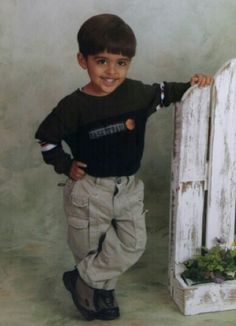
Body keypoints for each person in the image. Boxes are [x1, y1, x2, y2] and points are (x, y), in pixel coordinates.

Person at [35, 13, 213, 321]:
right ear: (82, 60)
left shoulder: (136, 93)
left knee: (130, 243)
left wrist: (195, 84)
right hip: (90, 188)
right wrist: (65, 165)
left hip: (127, 187)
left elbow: (167, 92)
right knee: (94, 246)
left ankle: (82, 279)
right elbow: (46, 138)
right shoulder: (73, 106)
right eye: (101, 61)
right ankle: (100, 292)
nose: (111, 71)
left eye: (121, 63)